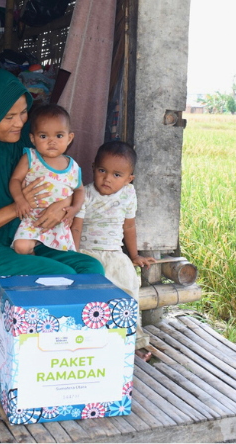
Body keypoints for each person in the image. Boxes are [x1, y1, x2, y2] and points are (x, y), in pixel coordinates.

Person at [0, 69, 104, 384]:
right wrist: (15, 207)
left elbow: (61, 181)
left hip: (19, 239)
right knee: (59, 276)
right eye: (9, 117)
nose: (20, 123)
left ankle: (61, 350)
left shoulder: (24, 148)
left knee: (90, 268)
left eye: (23, 113)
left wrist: (63, 205)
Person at [71, 140, 156, 353]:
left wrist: (134, 256)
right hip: (87, 254)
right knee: (91, 298)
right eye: (102, 171)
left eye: (117, 175)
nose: (107, 178)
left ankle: (132, 341)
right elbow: (76, 228)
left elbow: (129, 227)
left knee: (128, 291)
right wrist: (73, 255)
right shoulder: (85, 194)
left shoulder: (128, 194)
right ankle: (92, 342)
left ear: (129, 179)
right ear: (93, 168)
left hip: (115, 255)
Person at [9, 104, 83, 255]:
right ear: (33, 138)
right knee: (21, 247)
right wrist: (20, 200)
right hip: (33, 218)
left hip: (59, 222)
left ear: (69, 138)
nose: (51, 141)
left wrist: (75, 208)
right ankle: (33, 260)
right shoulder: (30, 158)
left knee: (63, 255)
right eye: (43, 136)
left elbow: (80, 190)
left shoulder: (73, 167)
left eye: (59, 136)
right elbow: (15, 180)